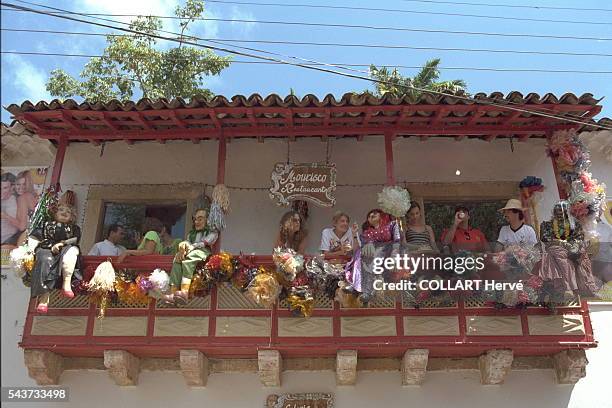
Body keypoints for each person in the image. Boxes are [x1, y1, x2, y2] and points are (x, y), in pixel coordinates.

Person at [537, 201, 602, 297]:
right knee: (560, 254)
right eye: (558, 211)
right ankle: (569, 288)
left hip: (571, 248)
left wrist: (574, 247)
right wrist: (563, 243)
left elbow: (579, 239)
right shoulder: (546, 225)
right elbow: (545, 239)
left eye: (564, 211)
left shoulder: (574, 225)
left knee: (583, 256)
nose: (561, 213)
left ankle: (589, 288)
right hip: (555, 248)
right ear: (554, 212)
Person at [28, 200, 82, 313]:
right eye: (61, 210)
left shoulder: (74, 228)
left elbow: (75, 239)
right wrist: (30, 251)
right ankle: (44, 298)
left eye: (68, 212)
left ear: (72, 217)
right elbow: (34, 237)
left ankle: (66, 284)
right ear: (54, 213)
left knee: (71, 254)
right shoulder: (45, 225)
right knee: (43, 259)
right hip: (47, 247)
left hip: (65, 247)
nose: (65, 212)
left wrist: (62, 243)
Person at [162, 208, 218, 305]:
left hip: (203, 251)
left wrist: (192, 247)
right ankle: (172, 292)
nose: (196, 222)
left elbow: (205, 242)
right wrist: (183, 247)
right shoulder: (191, 234)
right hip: (191, 250)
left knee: (188, 259)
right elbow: (187, 242)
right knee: (177, 260)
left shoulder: (212, 232)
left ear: (207, 220)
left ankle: (184, 291)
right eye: (195, 219)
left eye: (200, 219)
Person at [345, 209, 401, 303]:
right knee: (360, 253)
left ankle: (366, 291)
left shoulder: (392, 224)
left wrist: (394, 256)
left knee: (374, 255)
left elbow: (397, 241)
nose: (371, 215)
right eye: (369, 216)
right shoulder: (367, 232)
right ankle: (356, 285)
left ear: (381, 215)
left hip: (387, 251)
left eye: (374, 213)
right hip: (373, 252)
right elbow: (361, 245)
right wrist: (357, 235)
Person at [1, 172, 19, 245]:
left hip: (7, 241)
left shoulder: (14, 202)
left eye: (5, 188)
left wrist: (5, 216)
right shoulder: (3, 199)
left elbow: (20, 226)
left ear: (12, 188)